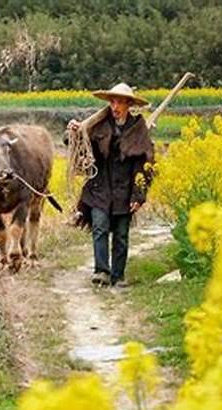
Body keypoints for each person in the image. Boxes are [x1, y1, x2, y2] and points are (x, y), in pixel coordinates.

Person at [66, 83, 155, 287]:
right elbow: (73, 141)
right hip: (99, 187)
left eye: (120, 102)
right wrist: (74, 131)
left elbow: (144, 165)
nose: (115, 106)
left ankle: (118, 275)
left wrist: (138, 195)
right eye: (113, 101)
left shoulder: (138, 129)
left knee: (121, 235)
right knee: (100, 227)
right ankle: (101, 271)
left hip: (124, 191)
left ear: (129, 104)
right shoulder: (97, 124)